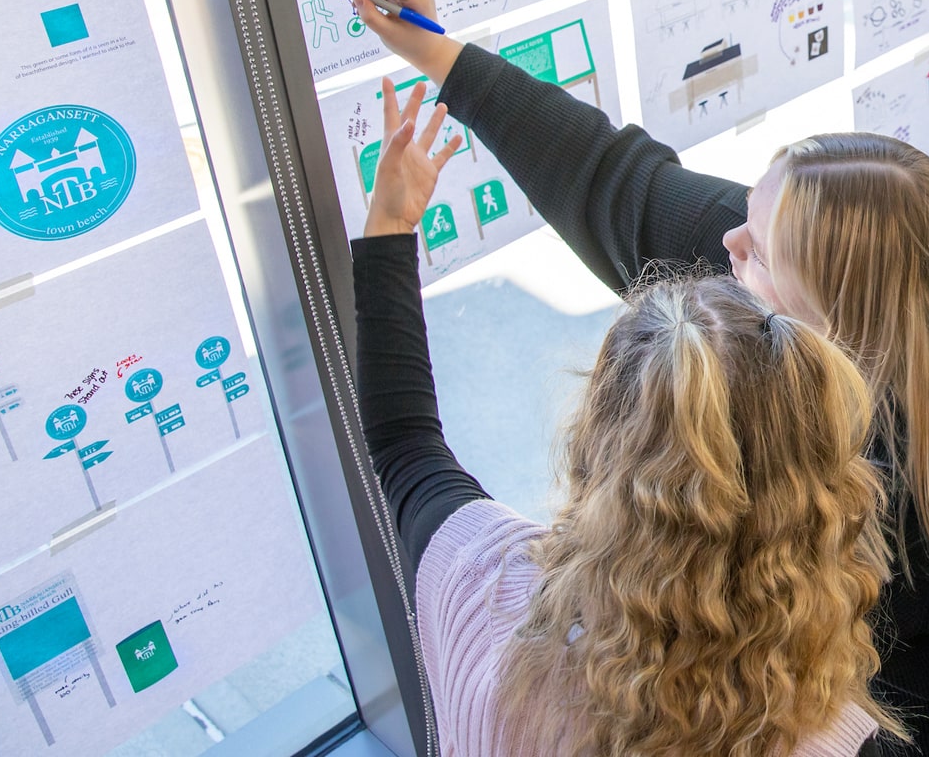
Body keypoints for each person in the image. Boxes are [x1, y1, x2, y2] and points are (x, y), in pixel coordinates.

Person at [344, 0, 929, 756]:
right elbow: (617, 183)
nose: (723, 247)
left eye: (754, 251)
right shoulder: (772, 295)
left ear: (830, 312)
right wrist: (442, 58)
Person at [351, 80, 896, 755]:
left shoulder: (483, 592)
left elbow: (401, 444)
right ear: (819, 494)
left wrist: (390, 230)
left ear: (596, 440)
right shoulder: (838, 740)